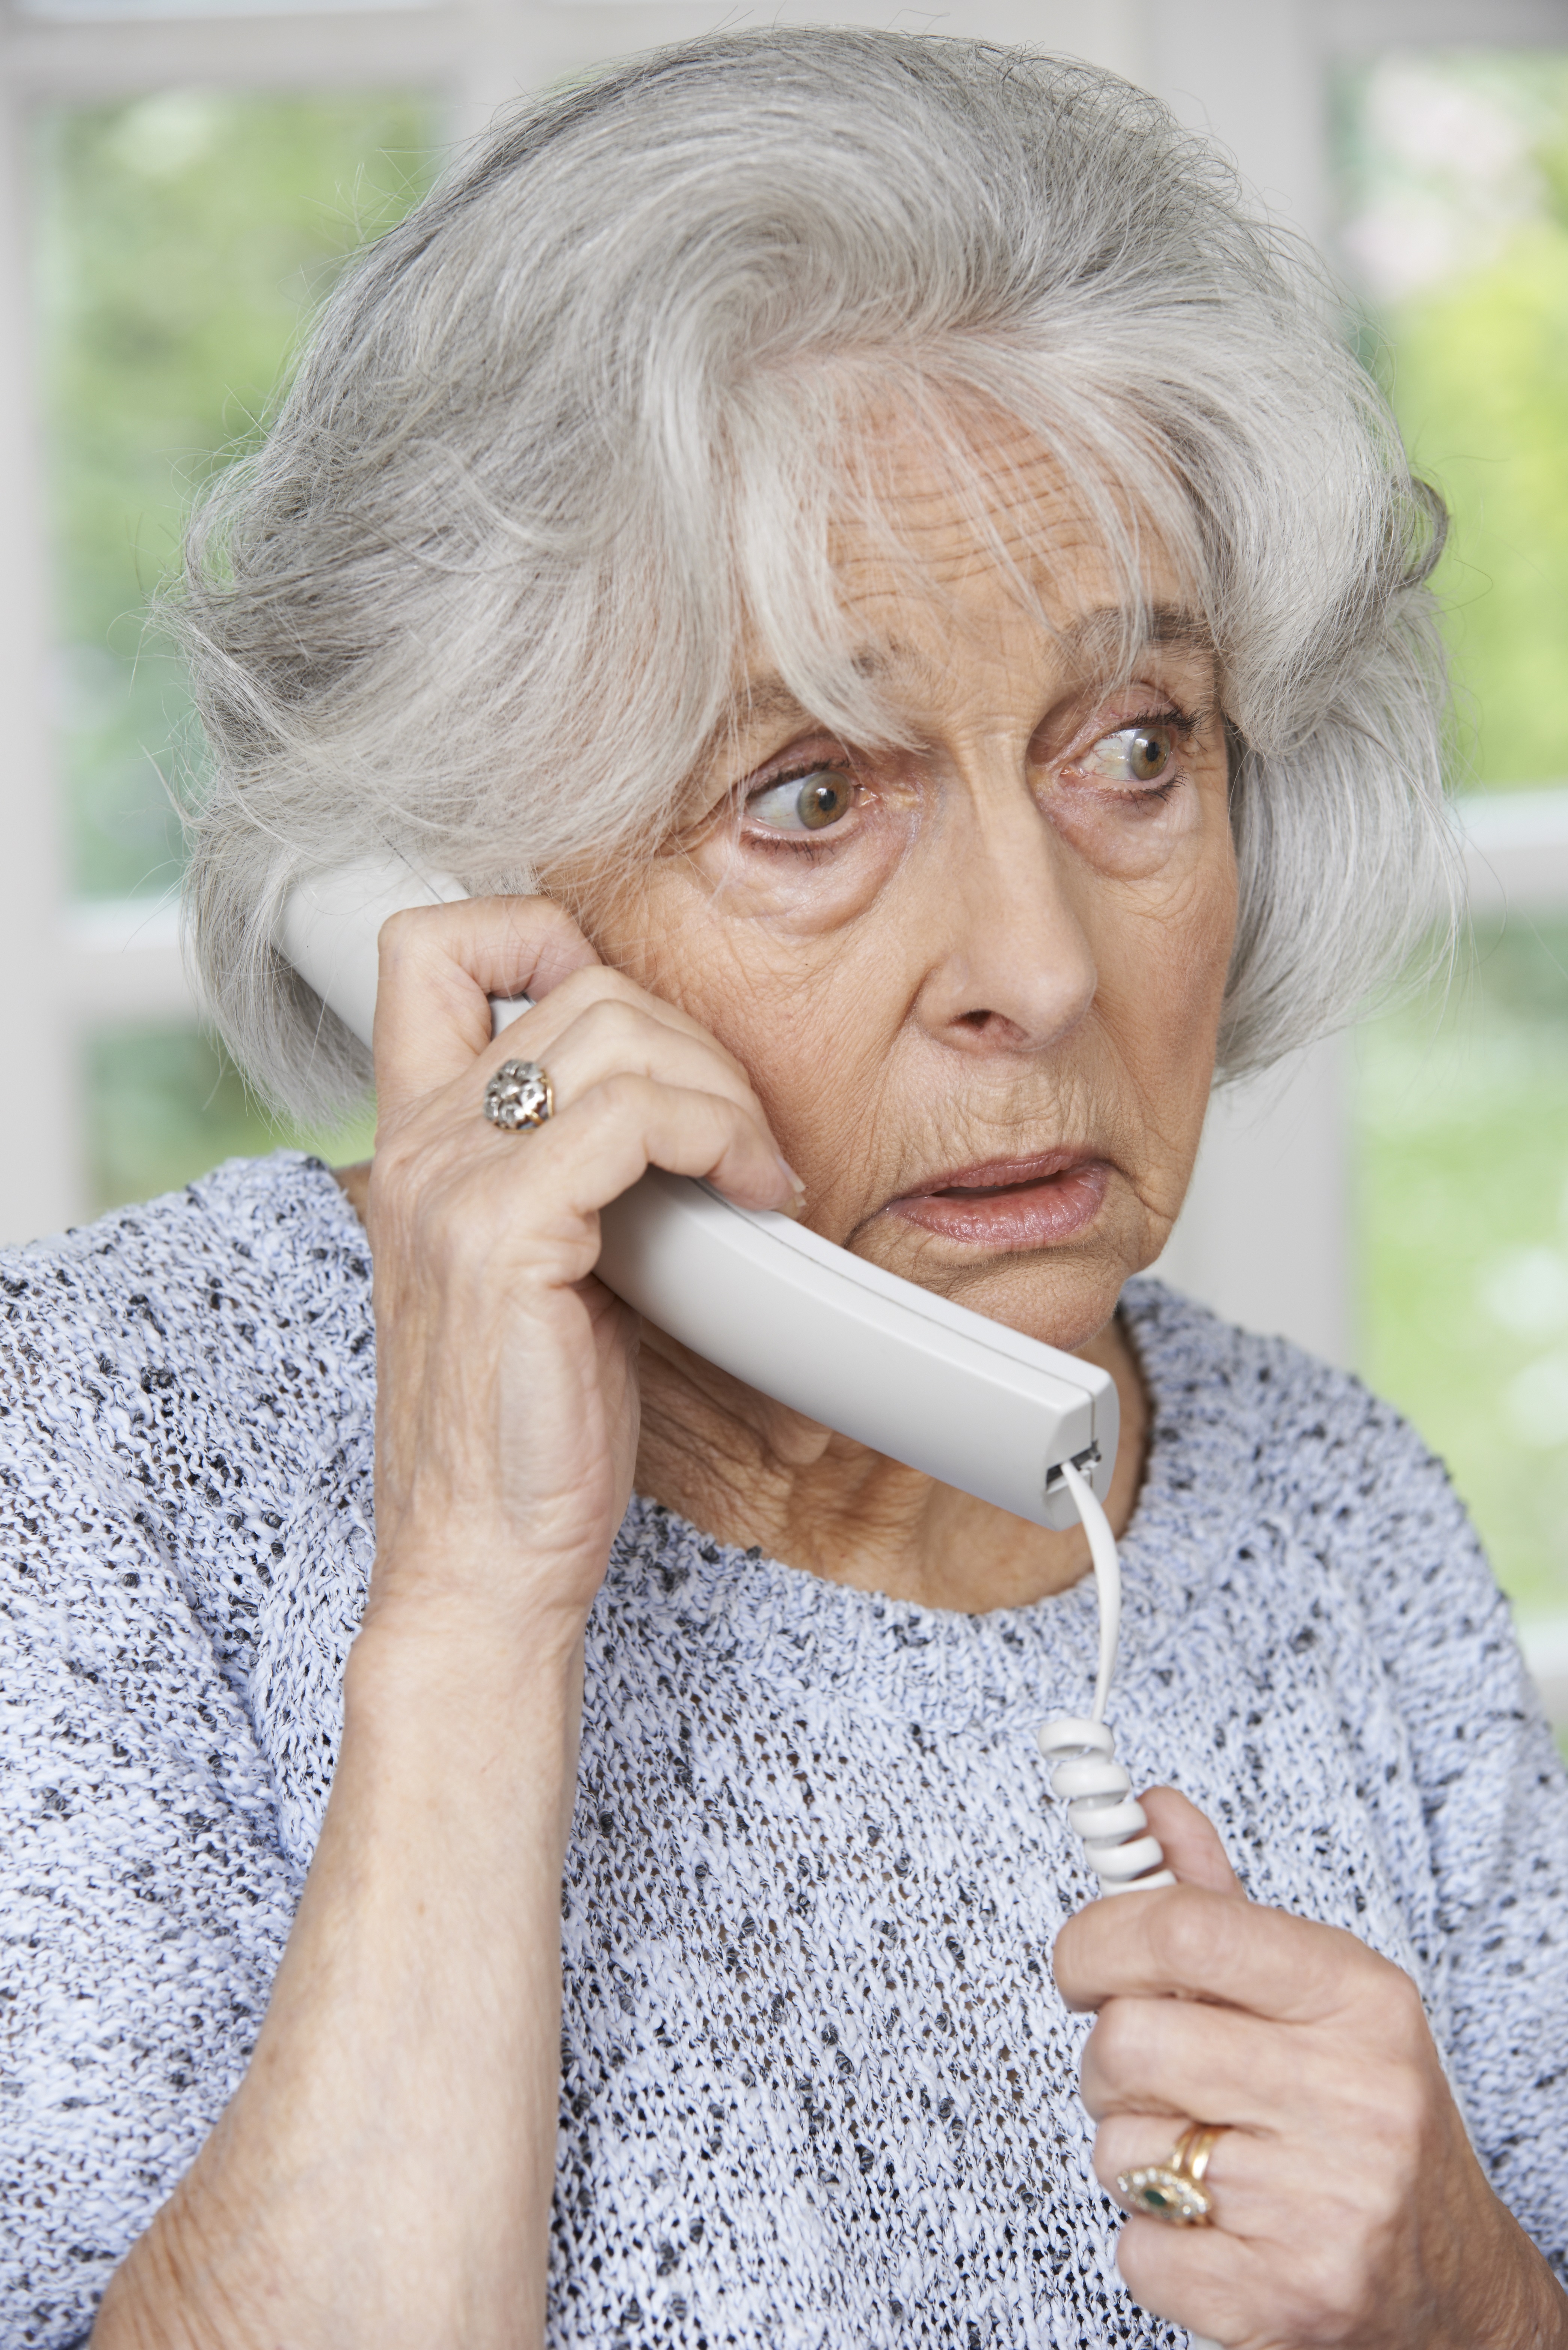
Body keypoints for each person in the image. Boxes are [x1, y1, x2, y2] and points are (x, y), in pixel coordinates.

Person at [2, 28, 1565, 2350]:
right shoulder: (89, 1457)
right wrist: (471, 1599)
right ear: (466, 894)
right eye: (812, 796)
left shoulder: (1336, 1524)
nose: (1038, 969)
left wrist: (1459, 2297)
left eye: (1137, 753)